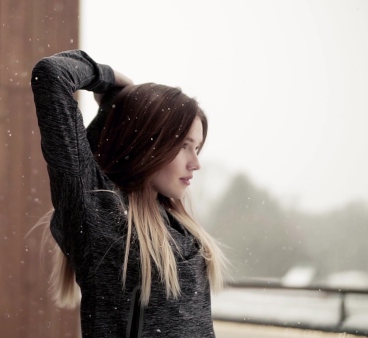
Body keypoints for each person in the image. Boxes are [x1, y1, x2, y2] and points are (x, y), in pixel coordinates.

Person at [31, 50, 227, 337]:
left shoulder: (176, 226)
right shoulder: (101, 217)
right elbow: (51, 75)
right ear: (149, 144)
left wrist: (112, 107)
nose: (195, 163)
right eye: (184, 145)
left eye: (196, 148)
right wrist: (109, 81)